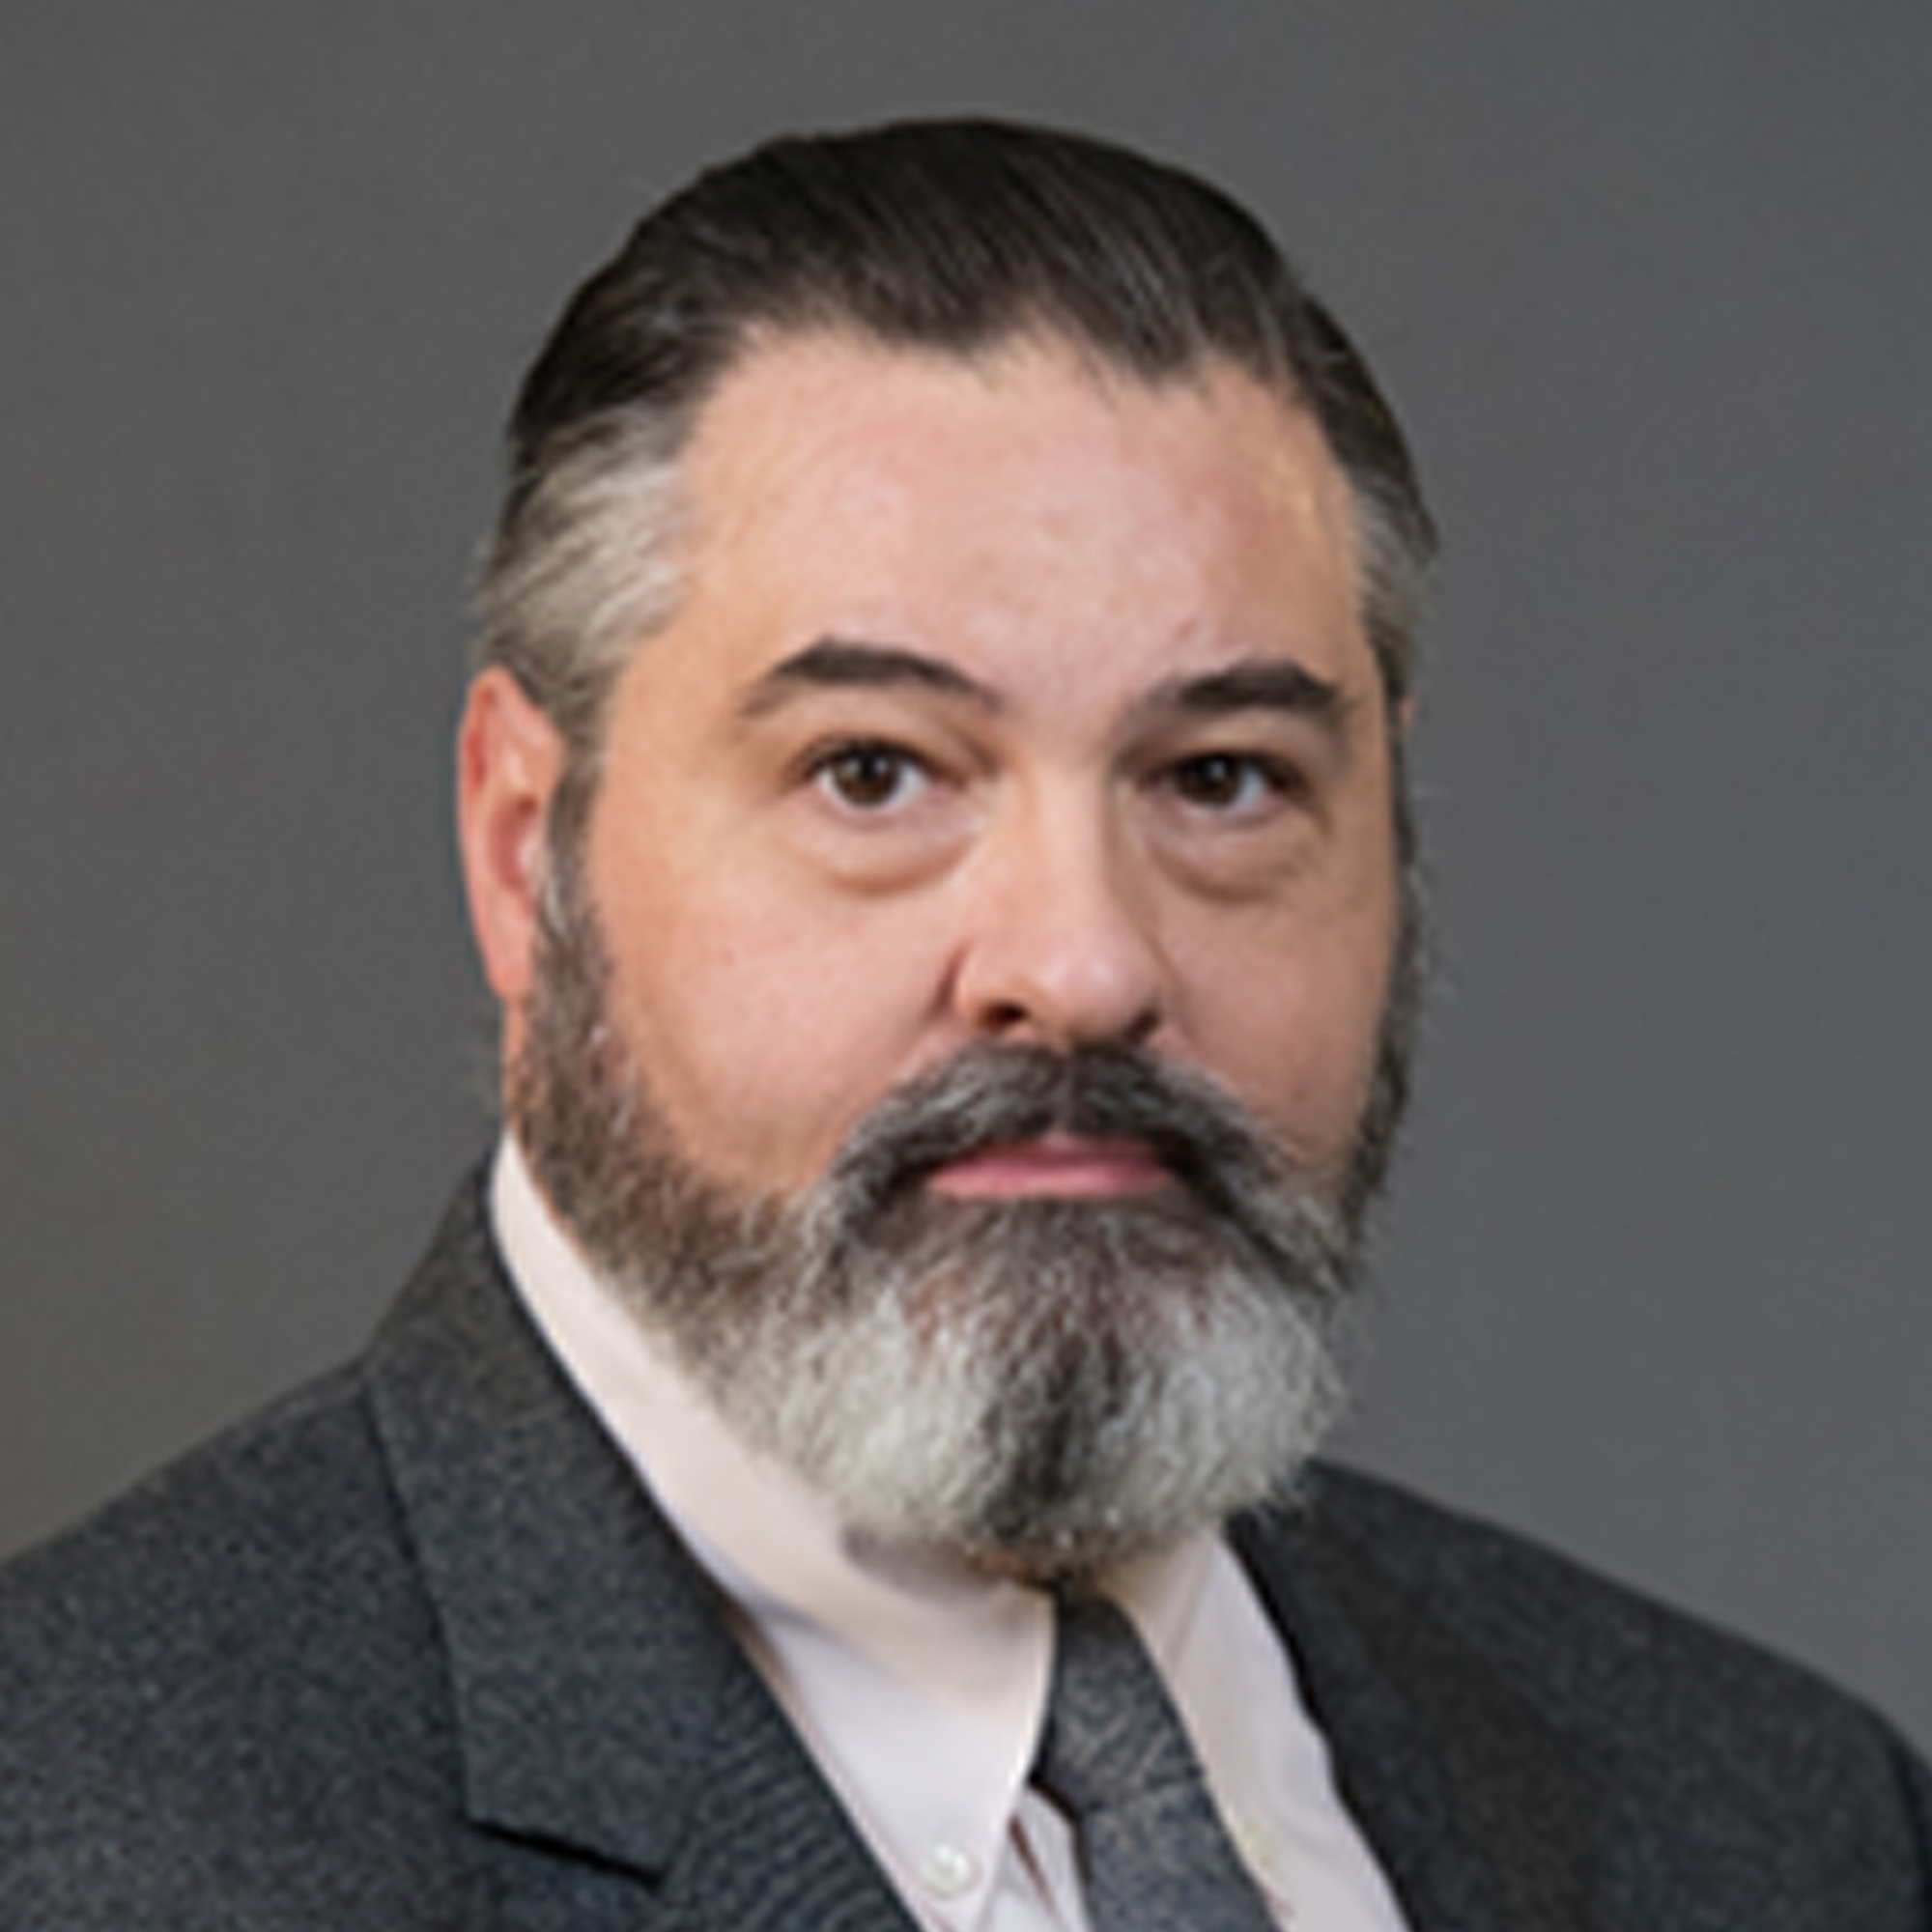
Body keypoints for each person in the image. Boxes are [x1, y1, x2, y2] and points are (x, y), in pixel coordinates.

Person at [0, 117, 1925, 1930]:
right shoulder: (73, 1838)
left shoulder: (1783, 1829)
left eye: (1223, 778)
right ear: (527, 853)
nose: (1081, 965)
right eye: (873, 771)